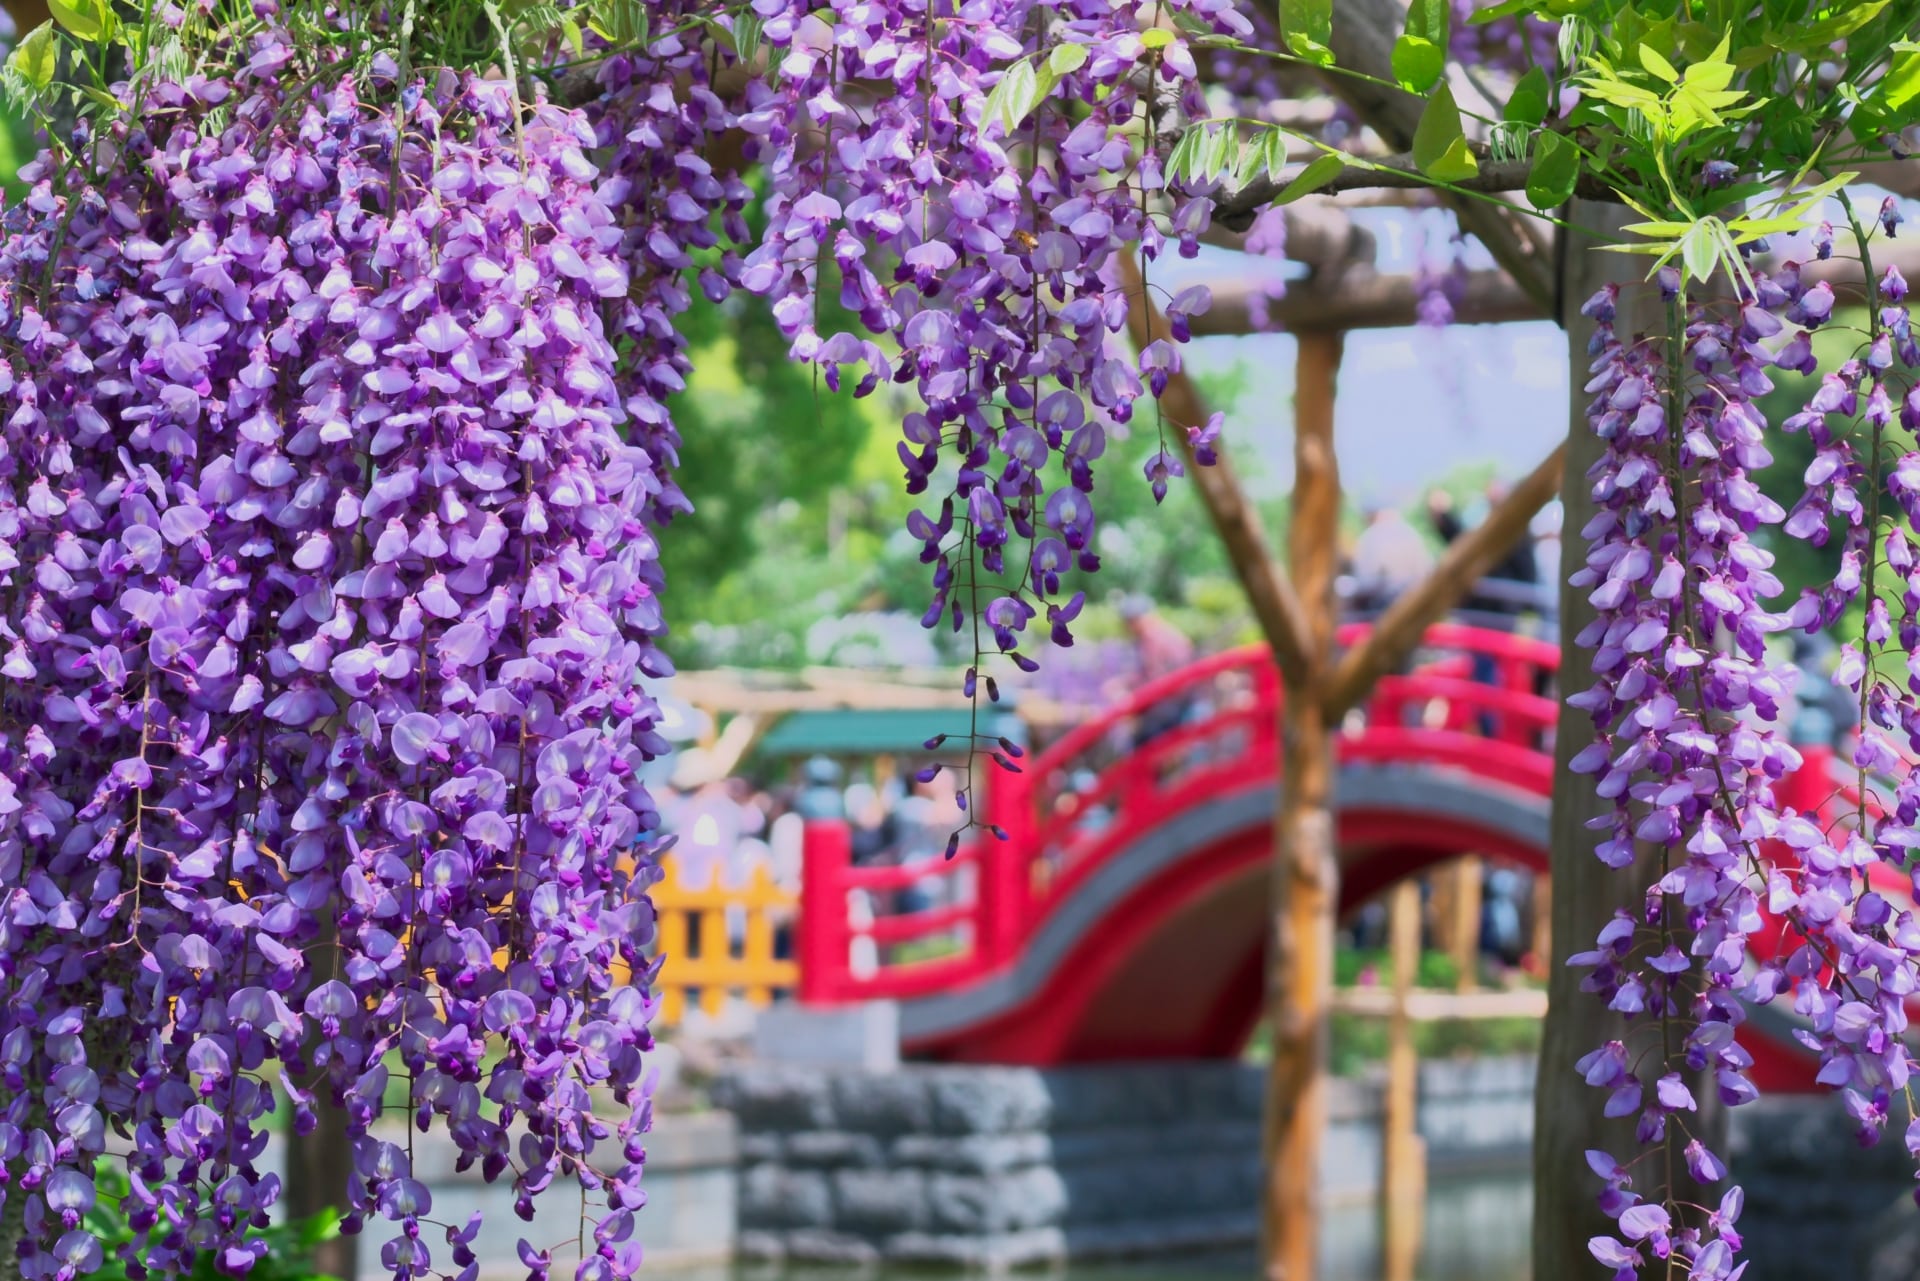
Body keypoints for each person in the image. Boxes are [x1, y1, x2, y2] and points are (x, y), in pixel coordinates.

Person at [1350, 504, 1434, 613]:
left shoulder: (1370, 537)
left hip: (1381, 609)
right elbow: (1426, 573)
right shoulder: (1411, 533)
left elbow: (1366, 584)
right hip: (1414, 606)